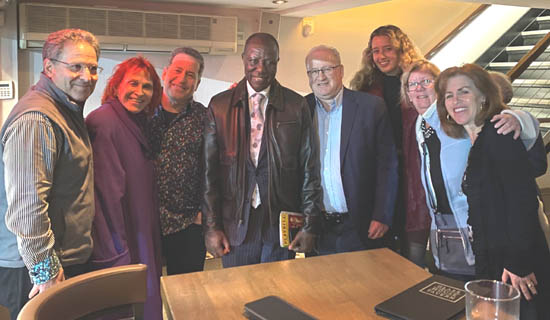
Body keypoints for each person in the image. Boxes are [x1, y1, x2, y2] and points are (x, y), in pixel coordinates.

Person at [401, 60, 540, 279]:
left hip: (503, 246)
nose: (418, 88)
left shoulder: (494, 130)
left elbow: (522, 199)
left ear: (482, 96)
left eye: (425, 82)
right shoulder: (423, 124)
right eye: (412, 84)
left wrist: (518, 119)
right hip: (458, 234)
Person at [436, 63, 550, 319]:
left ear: (484, 96)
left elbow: (522, 201)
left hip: (515, 263)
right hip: (495, 256)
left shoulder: (498, 134)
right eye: (449, 96)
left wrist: (517, 264)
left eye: (464, 92)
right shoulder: (477, 139)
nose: (456, 101)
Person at [0, 28, 99, 319]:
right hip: (36, 268)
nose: (86, 75)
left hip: (59, 259)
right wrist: (45, 271)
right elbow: (27, 208)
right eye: (76, 66)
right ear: (49, 68)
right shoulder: (37, 119)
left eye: (93, 68)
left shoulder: (64, 109)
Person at [203, 33, 322, 267]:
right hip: (236, 224)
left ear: (277, 62)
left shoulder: (296, 106)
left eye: (268, 61)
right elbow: (209, 175)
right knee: (238, 296)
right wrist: (211, 227)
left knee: (275, 298)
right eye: (253, 60)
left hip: (280, 226)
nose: (260, 68)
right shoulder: (219, 106)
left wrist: (310, 225)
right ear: (244, 59)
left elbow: (309, 170)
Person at [85, 56, 163, 319]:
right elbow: (106, 197)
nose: (139, 93)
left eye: (147, 86)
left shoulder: (138, 121)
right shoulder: (104, 122)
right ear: (117, 85)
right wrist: (118, 253)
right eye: (133, 83)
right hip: (123, 242)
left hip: (141, 231)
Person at [304, 45, 398, 254]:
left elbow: (387, 166)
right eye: (313, 71)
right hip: (318, 228)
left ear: (341, 70)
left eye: (327, 68)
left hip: (361, 226)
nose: (321, 76)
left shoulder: (371, 107)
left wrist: (382, 214)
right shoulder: (300, 109)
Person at [350, 25, 424, 253]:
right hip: (380, 172)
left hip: (414, 169)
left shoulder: (420, 81)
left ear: (402, 50)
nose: (381, 56)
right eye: (376, 51)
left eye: (388, 49)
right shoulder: (365, 86)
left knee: (413, 243)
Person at [149, 47, 207, 275]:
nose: (182, 79)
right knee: (143, 293)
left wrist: (204, 214)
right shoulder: (141, 112)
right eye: (178, 70)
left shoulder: (205, 118)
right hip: (145, 223)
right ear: (165, 73)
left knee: (188, 299)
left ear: (198, 83)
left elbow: (217, 167)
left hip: (189, 225)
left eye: (190, 75)